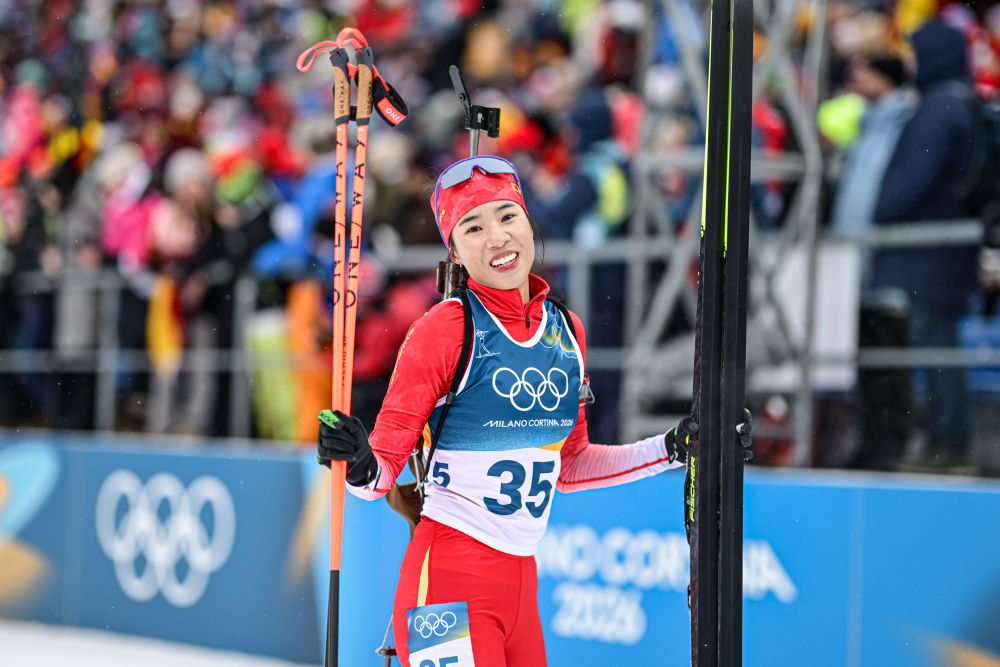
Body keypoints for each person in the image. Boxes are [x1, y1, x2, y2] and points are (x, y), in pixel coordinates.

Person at [315, 155, 750, 666]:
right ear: (454, 251)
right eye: (473, 228)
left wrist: (674, 447)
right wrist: (357, 459)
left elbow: (571, 465)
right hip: (449, 582)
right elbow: (380, 474)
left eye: (507, 217)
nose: (497, 237)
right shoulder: (445, 329)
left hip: (521, 584)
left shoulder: (566, 331)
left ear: (528, 222)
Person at [873, 19, 979, 471]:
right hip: (939, 256)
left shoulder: (940, 107)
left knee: (936, 348)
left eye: (917, 53)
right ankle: (945, 444)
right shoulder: (954, 102)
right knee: (936, 347)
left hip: (932, 257)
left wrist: (882, 208)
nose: (911, 63)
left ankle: (949, 447)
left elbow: (913, 181)